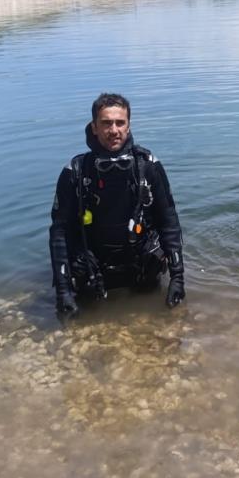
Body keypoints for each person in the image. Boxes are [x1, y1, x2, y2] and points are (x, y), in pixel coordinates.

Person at [49, 93, 185, 317]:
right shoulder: (75, 172)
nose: (114, 130)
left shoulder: (148, 166)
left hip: (140, 269)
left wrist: (177, 278)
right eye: (106, 123)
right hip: (93, 272)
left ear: (128, 126)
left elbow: (168, 222)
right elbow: (59, 233)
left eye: (120, 123)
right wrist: (63, 291)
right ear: (94, 127)